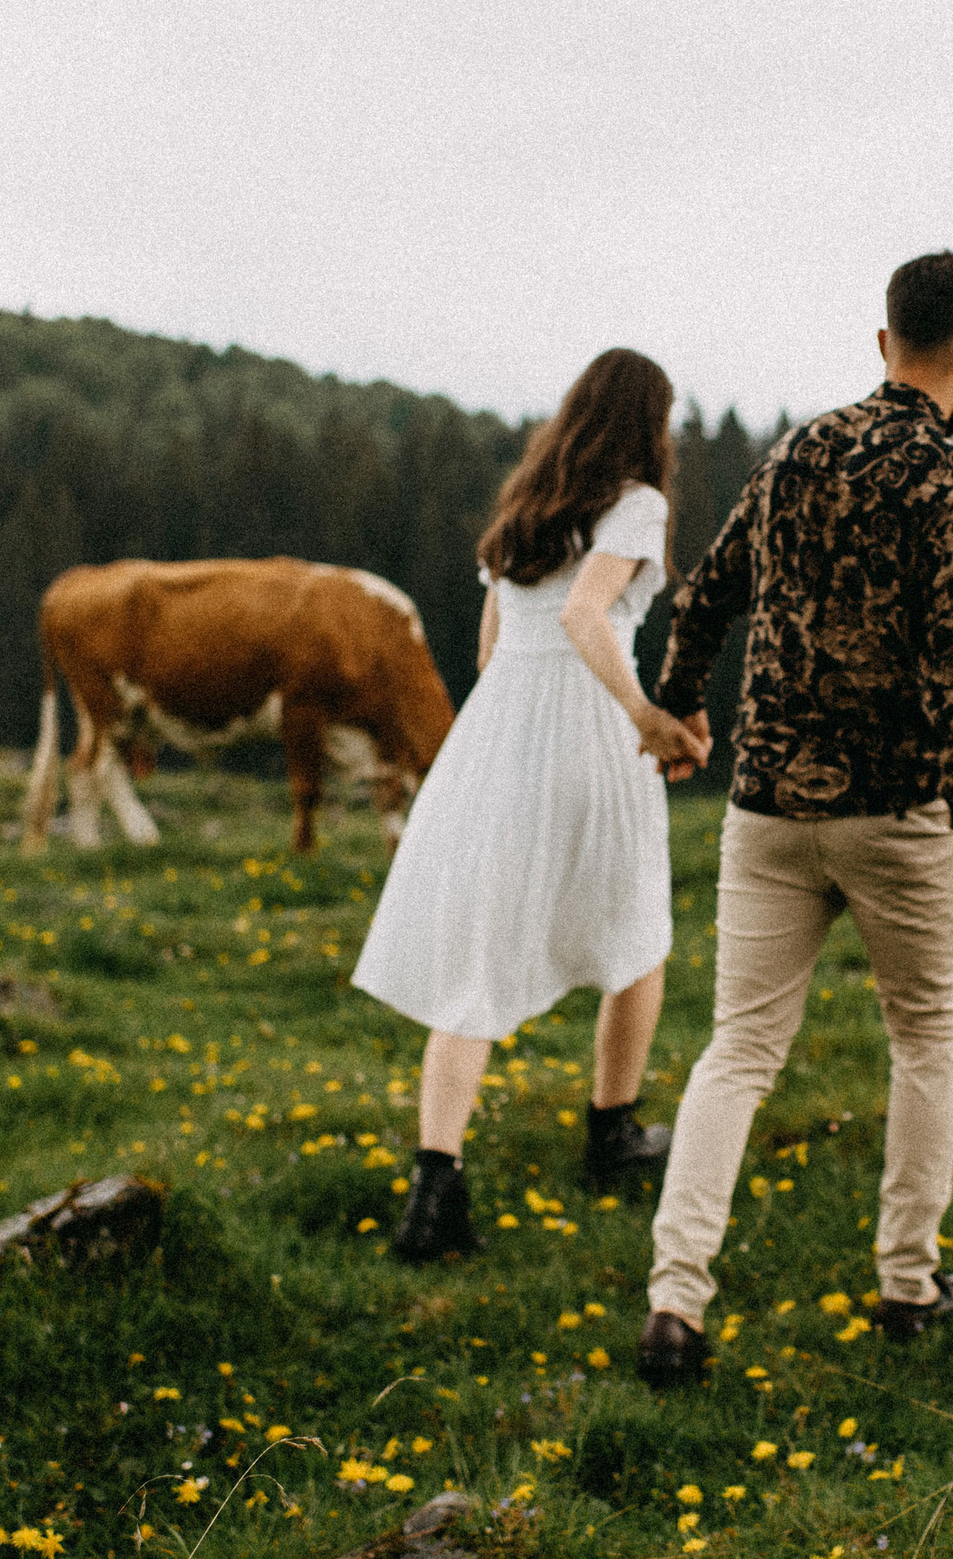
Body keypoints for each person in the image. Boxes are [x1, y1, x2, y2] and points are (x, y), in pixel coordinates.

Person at [635, 251, 953, 1384]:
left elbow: (705, 590)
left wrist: (678, 702)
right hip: (897, 815)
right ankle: (907, 1284)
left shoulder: (802, 449)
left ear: (882, 339)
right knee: (925, 1037)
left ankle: (674, 1303)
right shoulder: (949, 481)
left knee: (738, 1050)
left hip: (765, 806)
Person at [352, 346, 708, 1264]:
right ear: (650, 424)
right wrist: (644, 715)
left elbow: (489, 650)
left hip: (498, 737)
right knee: (637, 932)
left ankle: (436, 1188)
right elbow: (586, 619)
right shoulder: (638, 504)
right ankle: (611, 1131)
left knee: (478, 957)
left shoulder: (524, 515)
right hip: (589, 731)